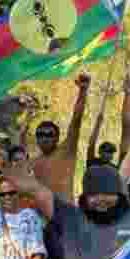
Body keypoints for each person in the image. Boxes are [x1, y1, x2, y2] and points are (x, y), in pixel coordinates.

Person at [25, 73, 91, 201]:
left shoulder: (66, 151)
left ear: (57, 138)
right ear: (36, 139)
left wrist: (83, 91)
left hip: (67, 211)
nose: (45, 138)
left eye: (49, 134)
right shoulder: (34, 163)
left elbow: (76, 120)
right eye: (41, 134)